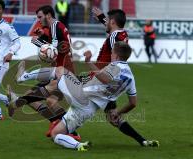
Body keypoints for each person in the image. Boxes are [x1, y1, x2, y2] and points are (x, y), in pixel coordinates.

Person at [15, 9, 158, 147]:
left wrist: (91, 63)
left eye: (108, 20)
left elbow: (115, 54)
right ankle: (142, 140)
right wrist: (102, 18)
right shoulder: (122, 34)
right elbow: (115, 37)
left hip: (97, 78)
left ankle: (23, 95)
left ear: (113, 22)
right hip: (107, 89)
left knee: (56, 82)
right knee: (112, 117)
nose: (105, 23)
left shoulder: (115, 40)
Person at [8, 5, 80, 139]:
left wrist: (38, 42)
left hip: (63, 71)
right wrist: (43, 37)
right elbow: (57, 45)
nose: (38, 20)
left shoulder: (54, 26)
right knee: (43, 99)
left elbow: (53, 51)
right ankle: (57, 122)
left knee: (46, 100)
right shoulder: (57, 27)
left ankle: (71, 131)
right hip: (59, 69)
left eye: (40, 17)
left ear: (48, 15)